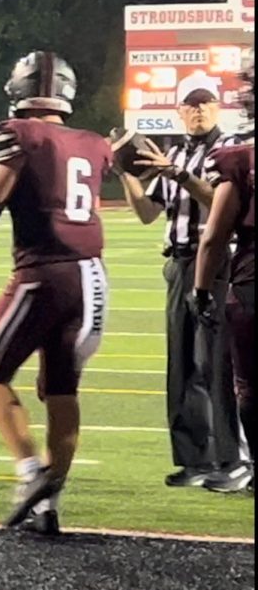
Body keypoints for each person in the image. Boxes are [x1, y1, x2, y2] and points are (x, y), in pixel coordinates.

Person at [0, 51, 111, 536]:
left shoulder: (20, 135)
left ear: (18, 90)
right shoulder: (93, 142)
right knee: (61, 389)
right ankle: (50, 504)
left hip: (41, 272)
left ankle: (31, 474)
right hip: (92, 277)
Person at [118, 76, 244, 488]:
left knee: (218, 364)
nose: (197, 110)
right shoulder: (173, 152)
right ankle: (196, 460)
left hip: (218, 263)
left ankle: (234, 461)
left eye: (204, 103)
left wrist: (179, 175)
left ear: (217, 107)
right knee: (183, 366)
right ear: (179, 111)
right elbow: (146, 212)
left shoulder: (229, 152)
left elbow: (219, 201)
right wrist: (125, 171)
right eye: (190, 104)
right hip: (178, 263)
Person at [191, 59, 256, 494]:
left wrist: (200, 290)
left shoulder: (240, 158)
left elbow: (214, 236)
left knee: (250, 386)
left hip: (252, 284)